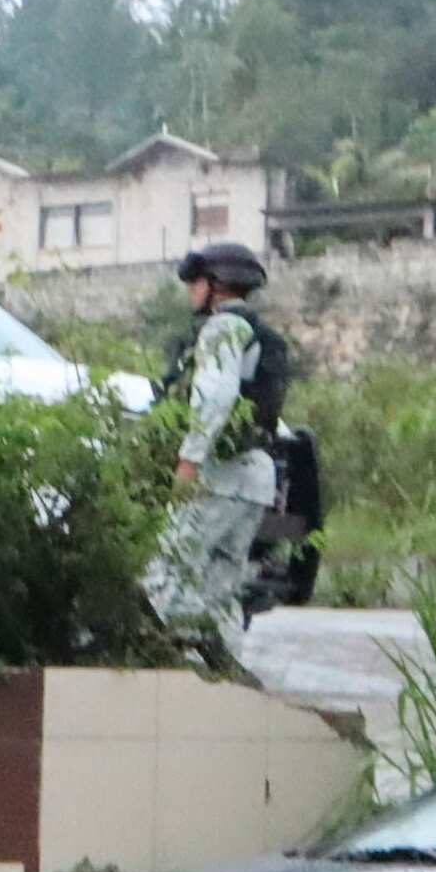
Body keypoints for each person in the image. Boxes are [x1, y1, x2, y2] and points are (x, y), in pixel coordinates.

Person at [140, 242, 290, 673]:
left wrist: (189, 459)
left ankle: (191, 665)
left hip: (217, 476)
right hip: (256, 478)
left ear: (217, 286)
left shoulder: (223, 329)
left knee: (164, 573)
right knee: (221, 589)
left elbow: (216, 396)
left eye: (196, 282)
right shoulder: (261, 336)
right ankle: (229, 678)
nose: (191, 291)